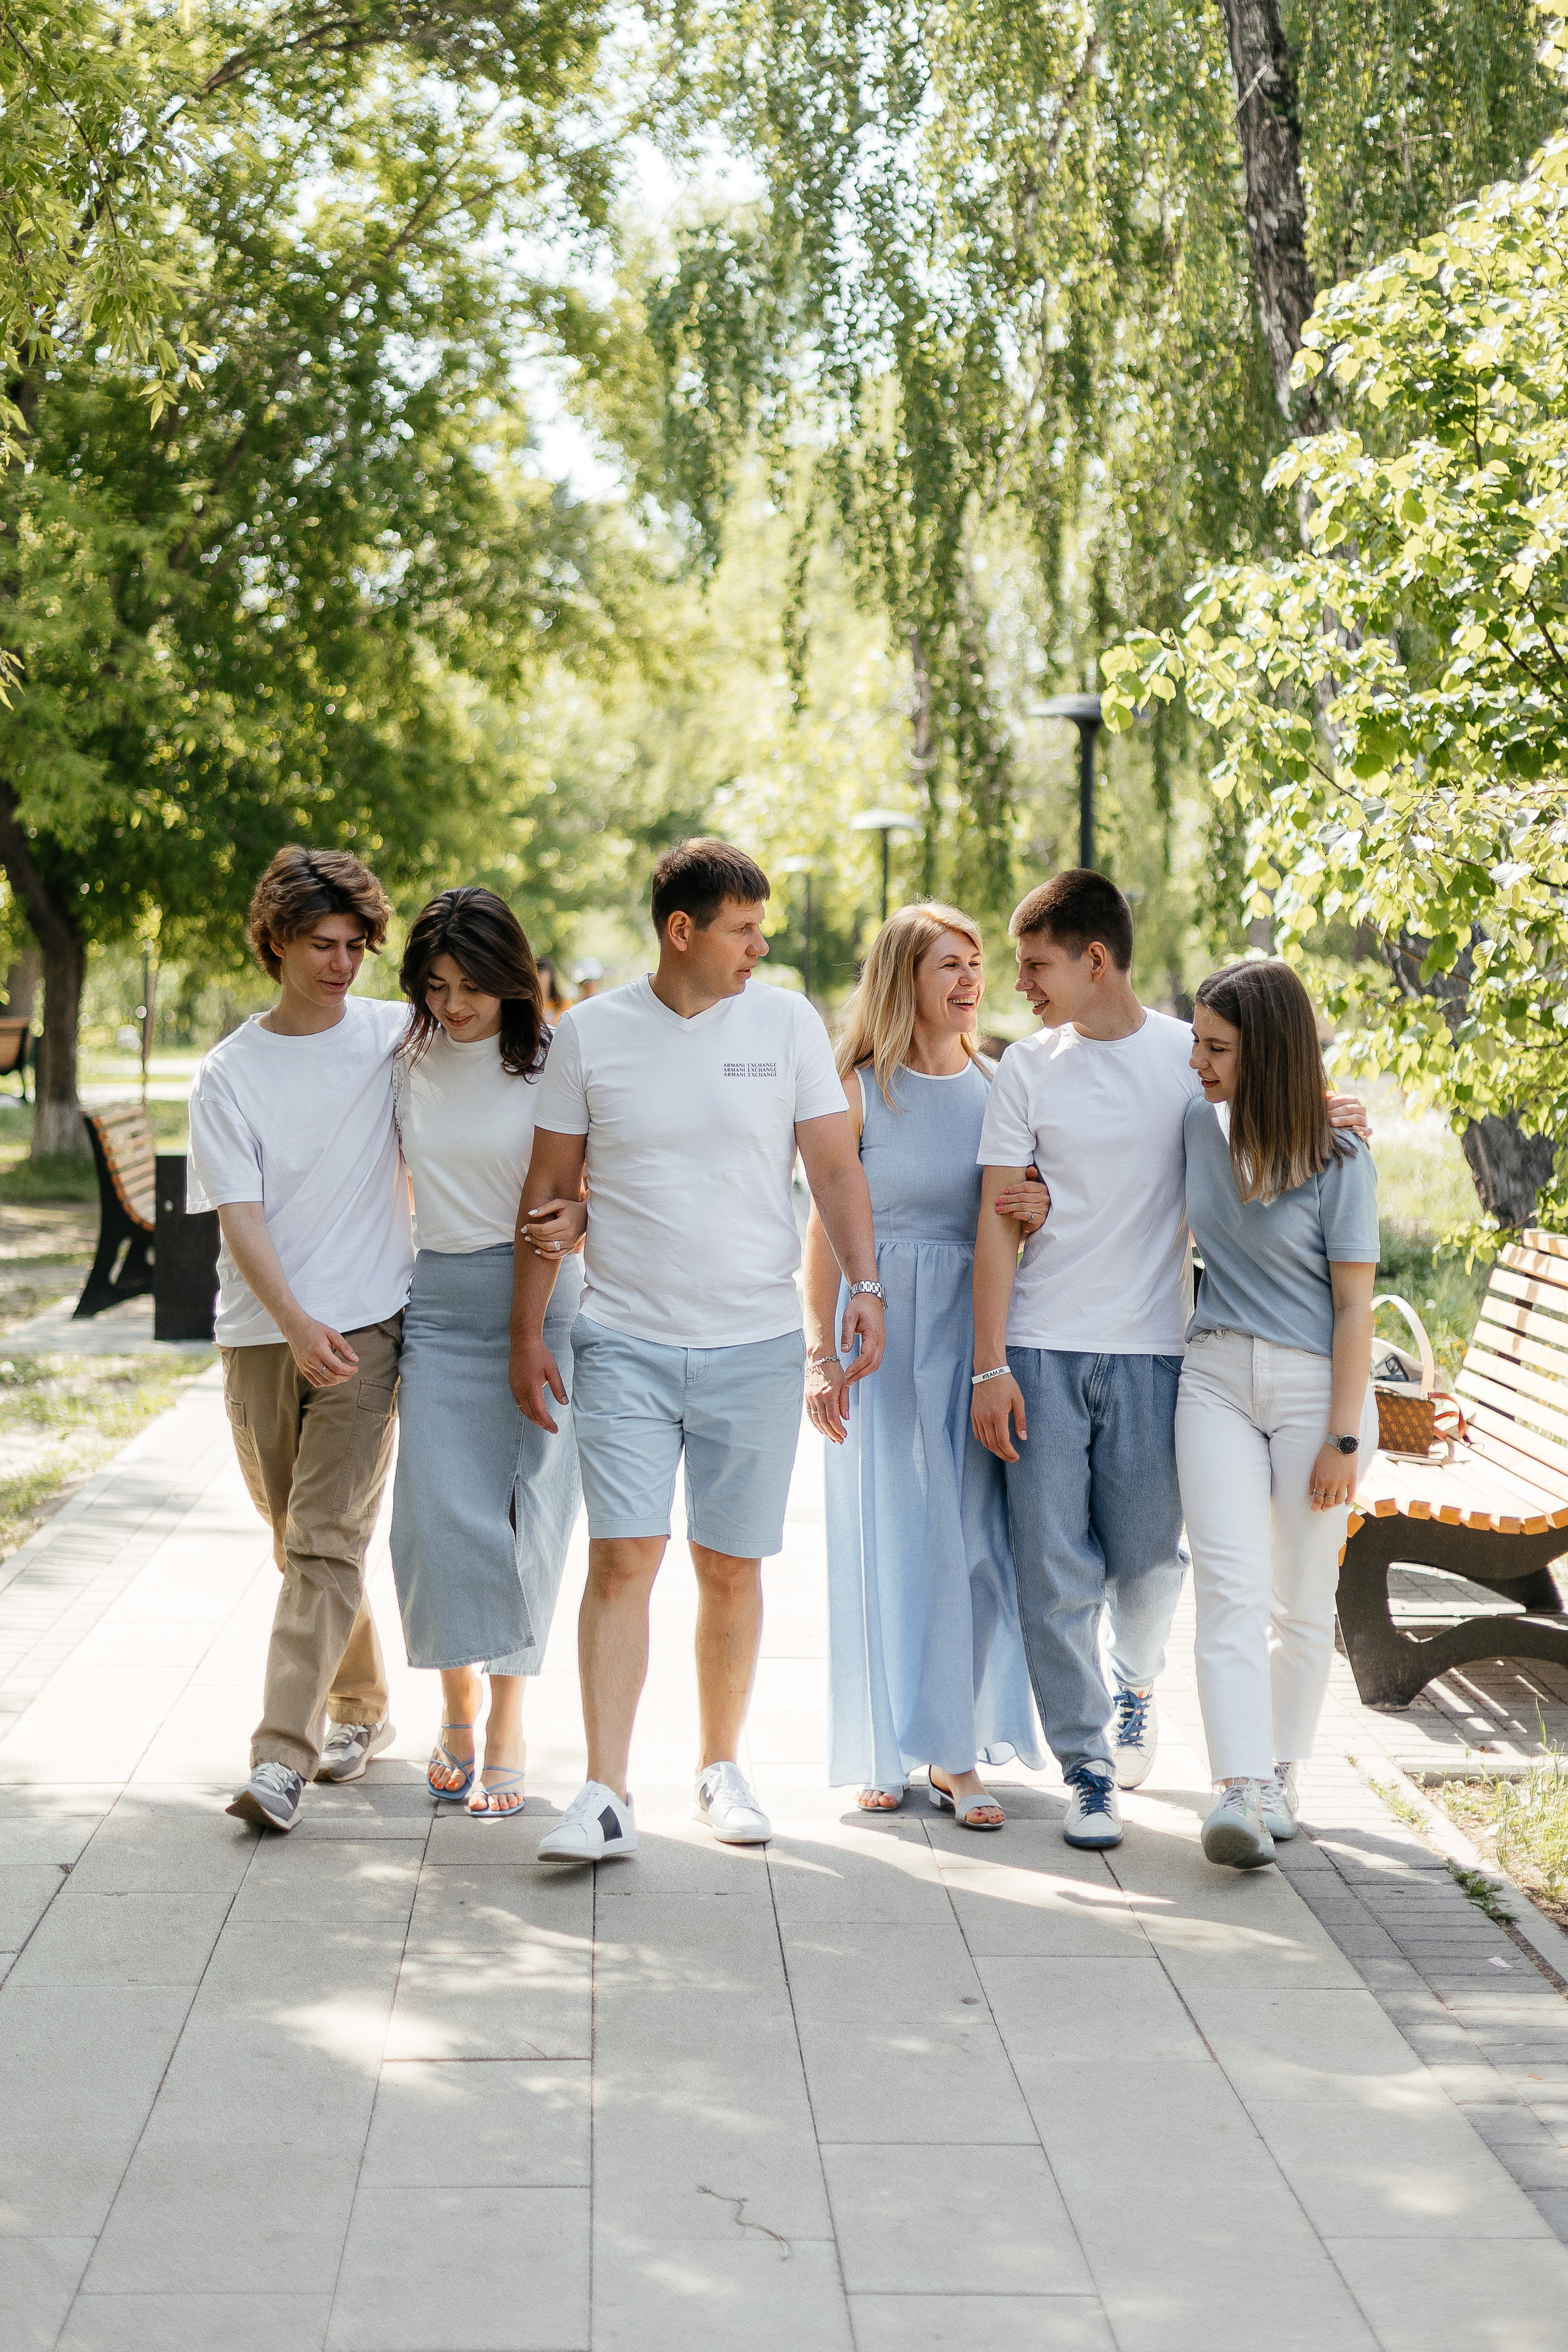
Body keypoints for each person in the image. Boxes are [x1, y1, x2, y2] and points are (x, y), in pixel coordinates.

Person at [970, 870, 1367, 1852]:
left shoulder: (1183, 1071)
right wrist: (990, 1363)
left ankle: (1136, 1682)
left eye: (1034, 964)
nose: (1019, 983)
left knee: (1151, 1565)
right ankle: (1090, 1766)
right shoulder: (1031, 1067)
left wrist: (1327, 1108)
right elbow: (1001, 1217)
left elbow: (1265, 1124)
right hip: (1051, 1343)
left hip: (1160, 1354)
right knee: (1052, 1566)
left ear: (1093, 958)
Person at [510, 837, 886, 1861]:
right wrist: (525, 1333)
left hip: (756, 1345)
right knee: (623, 1555)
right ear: (682, 931)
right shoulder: (588, 1036)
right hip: (623, 1339)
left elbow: (837, 1173)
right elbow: (546, 1198)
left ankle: (722, 1768)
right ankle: (605, 1791)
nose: (760, 945)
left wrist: (864, 1286)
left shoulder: (786, 1022)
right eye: (743, 929)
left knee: (729, 1568)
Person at [804, 903, 1048, 1826]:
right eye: (949, 964)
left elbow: (1029, 1211)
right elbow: (824, 1234)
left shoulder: (1000, 1087)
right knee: (891, 1535)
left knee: (974, 1541)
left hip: (979, 1330)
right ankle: (884, 1746)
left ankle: (956, 1750)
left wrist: (1040, 1207)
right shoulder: (860, 1090)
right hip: (882, 1331)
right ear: (903, 979)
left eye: (977, 963)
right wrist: (819, 1358)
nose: (970, 981)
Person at [190, 846, 414, 1834]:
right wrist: (292, 1322)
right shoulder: (229, 1074)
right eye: (321, 944)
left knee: (325, 1540)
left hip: (368, 1328)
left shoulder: (395, 1036)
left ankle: (280, 1758)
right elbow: (241, 1217)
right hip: (261, 1334)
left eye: (356, 945)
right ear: (274, 941)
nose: (341, 963)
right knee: (301, 1545)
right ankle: (362, 1706)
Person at [1177, 961, 1379, 1870]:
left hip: (1315, 1392)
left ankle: (1282, 1767)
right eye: (1197, 1041)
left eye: (1217, 1047)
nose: (1197, 1061)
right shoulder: (1192, 1126)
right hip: (1214, 1374)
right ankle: (1238, 1786)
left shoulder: (1342, 1157)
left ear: (1270, 1054)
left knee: (1301, 1602)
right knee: (1227, 1589)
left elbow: (1352, 1310)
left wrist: (1343, 1436)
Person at [389, 888, 585, 1819]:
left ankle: (506, 1723)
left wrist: (582, 1213)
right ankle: (455, 1701)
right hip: (439, 1302)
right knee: (433, 1520)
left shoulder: (555, 1062)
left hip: (541, 1302)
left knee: (527, 1521)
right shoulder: (406, 1057)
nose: (453, 1005)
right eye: (435, 984)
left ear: (513, 978)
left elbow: (606, 1182)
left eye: (471, 985)